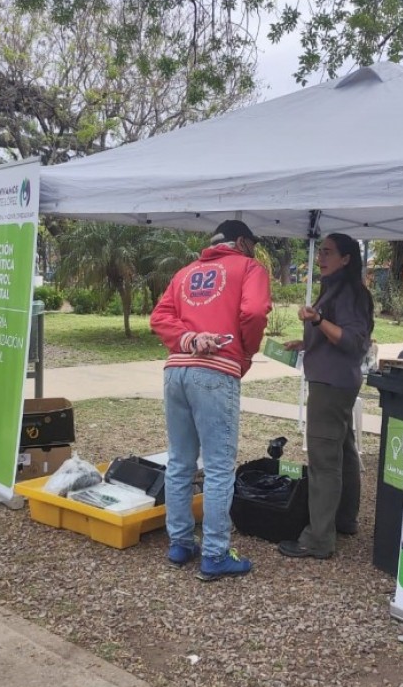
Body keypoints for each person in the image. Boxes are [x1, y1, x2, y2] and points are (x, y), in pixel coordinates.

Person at [150, 219, 271, 581]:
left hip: (177, 372)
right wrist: (244, 351)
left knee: (180, 462)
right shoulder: (250, 267)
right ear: (243, 242)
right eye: (252, 243)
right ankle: (215, 554)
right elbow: (253, 312)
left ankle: (181, 543)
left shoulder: (186, 272)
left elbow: (160, 316)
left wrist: (188, 339)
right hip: (216, 371)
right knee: (219, 467)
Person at [277, 234, 374, 559]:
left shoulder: (347, 291)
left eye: (329, 252)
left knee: (323, 461)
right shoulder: (338, 287)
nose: (321, 256)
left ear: (347, 258)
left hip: (330, 387)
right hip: (336, 381)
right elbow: (336, 335)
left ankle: (318, 539)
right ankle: (344, 520)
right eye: (321, 251)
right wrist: (305, 342)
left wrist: (317, 319)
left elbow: (352, 341)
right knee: (343, 451)